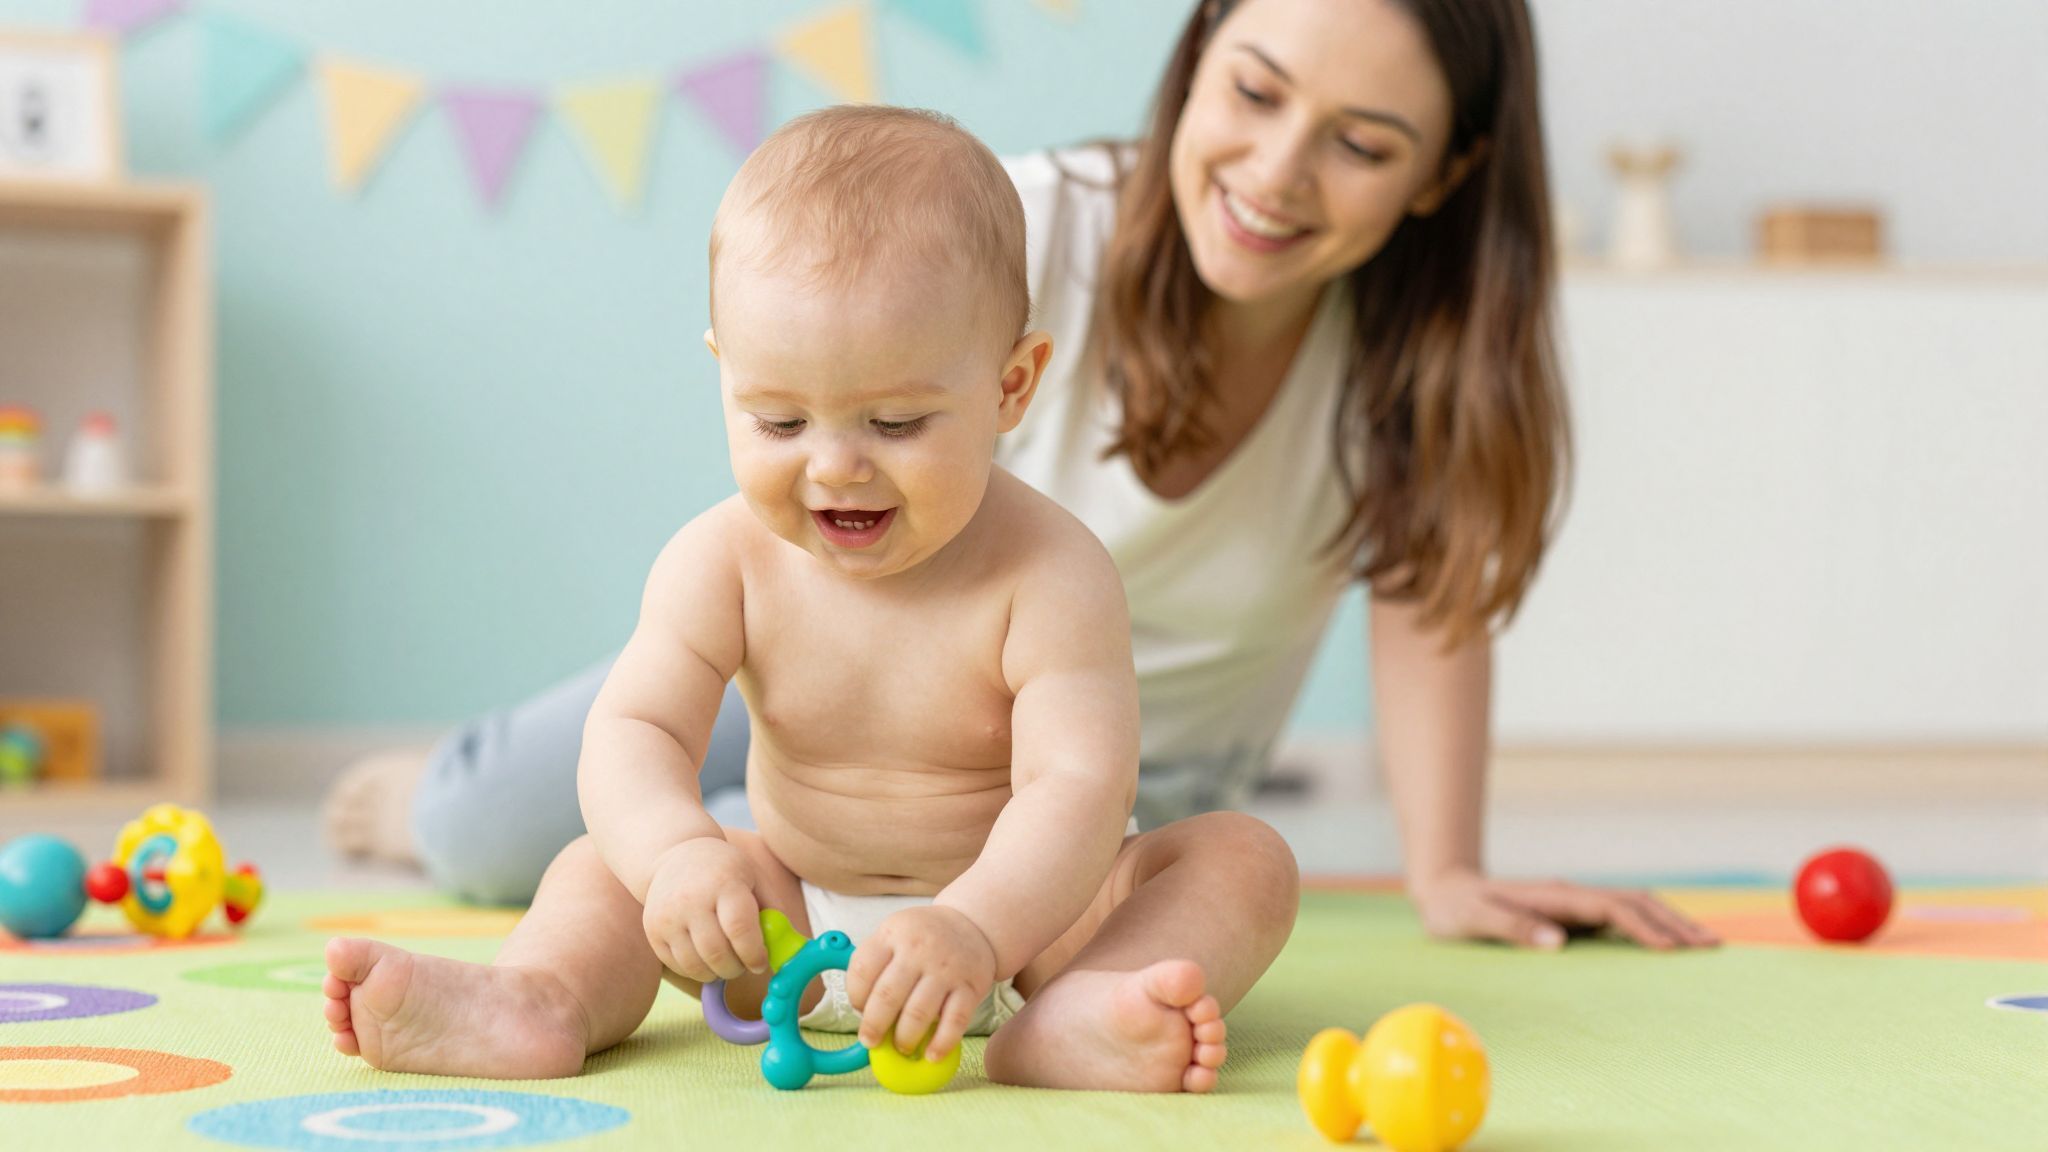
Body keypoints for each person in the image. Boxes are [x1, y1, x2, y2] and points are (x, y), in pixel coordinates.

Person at [326, 0, 1718, 953]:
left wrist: (1448, 868)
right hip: (818, 673)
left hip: (1102, 762)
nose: (1277, 171)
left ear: (1440, 176)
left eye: (1360, 145)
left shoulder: (1406, 366)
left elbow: (1429, 607)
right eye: (1254, 91)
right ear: (1198, 55)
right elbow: (798, 379)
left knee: (952, 894)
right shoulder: (1014, 225)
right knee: (514, 831)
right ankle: (425, 793)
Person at [323, 105, 1280, 1093]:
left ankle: (1083, 1015)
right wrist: (674, 857)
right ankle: (538, 999)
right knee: (597, 865)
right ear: (723, 376)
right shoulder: (720, 561)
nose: (834, 467)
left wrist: (976, 927)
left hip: (1033, 934)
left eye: (896, 422)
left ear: (1011, 386)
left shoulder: (1052, 573)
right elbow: (635, 730)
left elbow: (1076, 789)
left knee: (1240, 859)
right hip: (788, 924)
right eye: (778, 421)